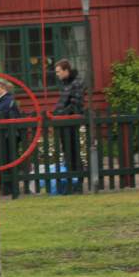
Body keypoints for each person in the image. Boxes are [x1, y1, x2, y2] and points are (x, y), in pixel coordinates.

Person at [52, 59, 86, 190]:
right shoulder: (66, 83)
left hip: (71, 122)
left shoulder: (76, 83)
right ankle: (73, 178)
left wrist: (61, 115)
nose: (57, 74)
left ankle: (78, 179)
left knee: (73, 150)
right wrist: (56, 113)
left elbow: (75, 104)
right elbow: (62, 102)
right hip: (64, 121)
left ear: (66, 70)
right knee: (67, 151)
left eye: (59, 71)